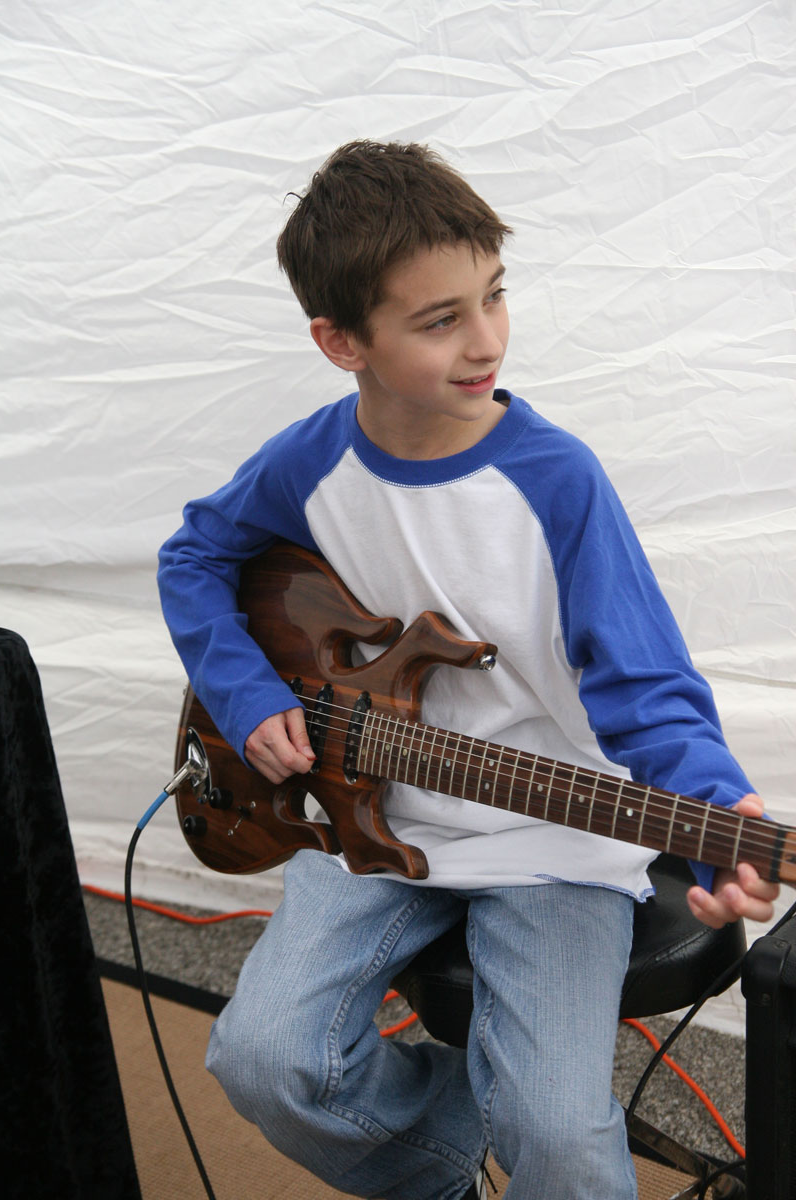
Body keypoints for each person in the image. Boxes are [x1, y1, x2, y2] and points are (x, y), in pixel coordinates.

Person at [157, 141, 778, 1199]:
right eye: (439, 319)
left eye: (493, 297)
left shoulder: (557, 482)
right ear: (339, 341)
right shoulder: (307, 463)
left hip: (550, 829)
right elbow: (196, 557)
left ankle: (510, 1121)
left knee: (551, 1130)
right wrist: (248, 695)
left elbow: (644, 688)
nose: (485, 339)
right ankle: (443, 1148)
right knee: (264, 1061)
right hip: (364, 817)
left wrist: (716, 807)